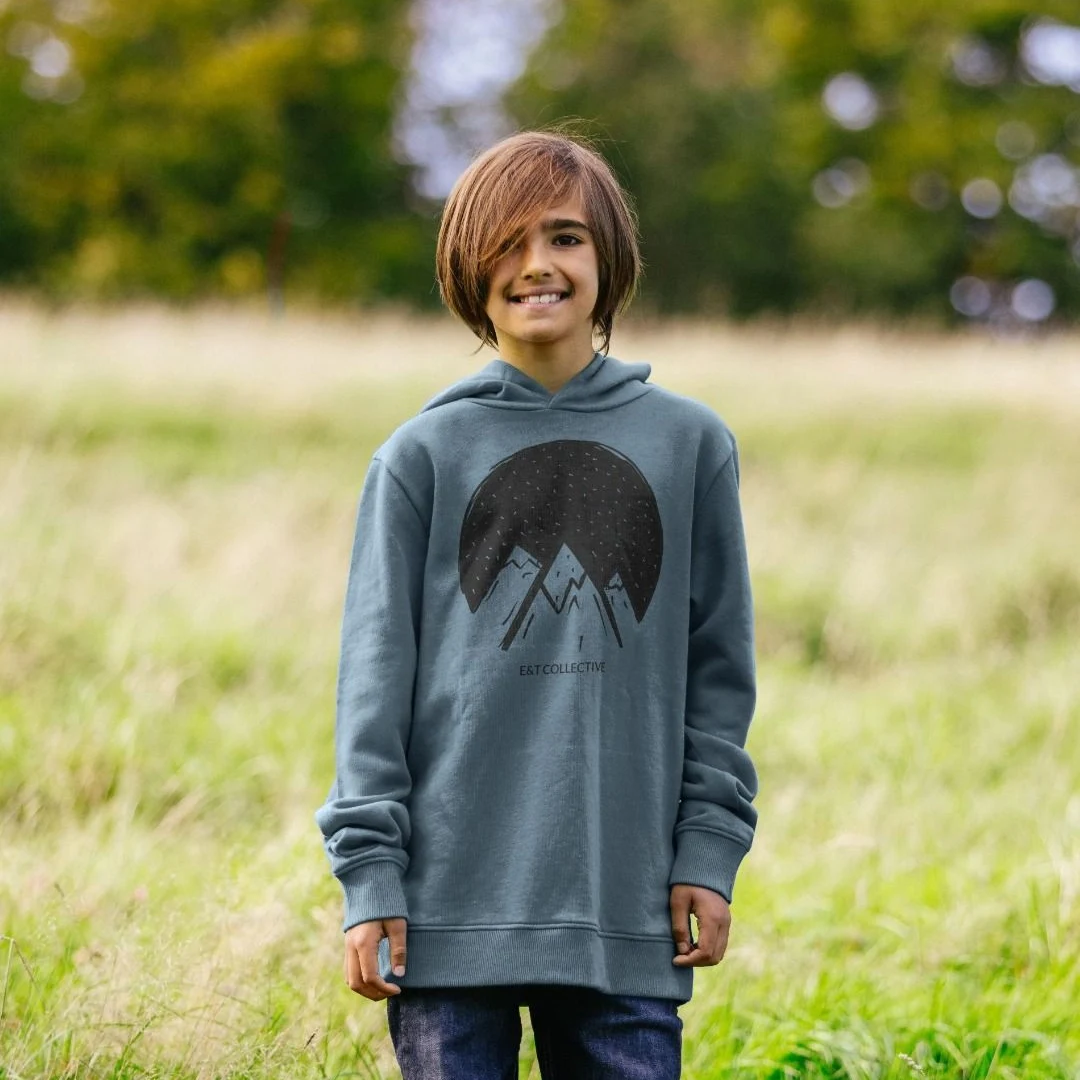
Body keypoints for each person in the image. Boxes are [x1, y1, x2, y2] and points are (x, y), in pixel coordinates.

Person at [314, 128, 759, 1079]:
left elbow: (720, 672)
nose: (536, 266)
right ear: (465, 270)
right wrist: (370, 877)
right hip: (443, 916)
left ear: (609, 256)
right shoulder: (420, 457)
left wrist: (708, 851)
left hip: (625, 907)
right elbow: (373, 685)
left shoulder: (690, 445)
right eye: (507, 245)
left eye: (564, 237)